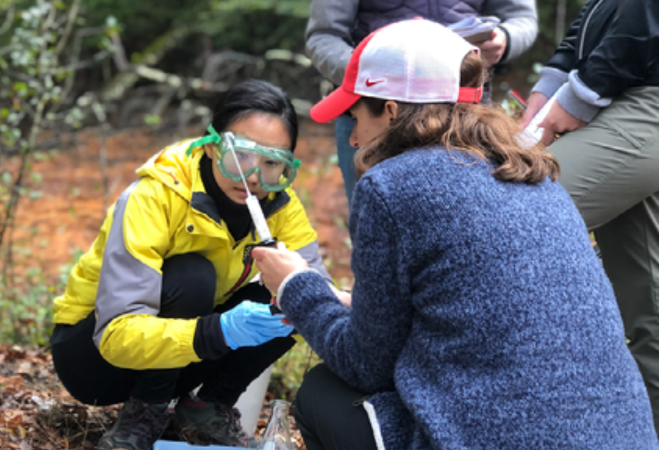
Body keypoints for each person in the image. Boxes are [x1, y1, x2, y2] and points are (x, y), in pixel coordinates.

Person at [253, 19, 659, 450]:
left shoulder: (392, 185)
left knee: (323, 394)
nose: (352, 138)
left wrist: (298, 286)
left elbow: (365, 364)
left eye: (355, 116)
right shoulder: (532, 172)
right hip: (623, 436)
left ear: (390, 110)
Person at [50, 79, 332, 450]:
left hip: (185, 351)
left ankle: (207, 405)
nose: (252, 176)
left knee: (297, 290)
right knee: (193, 274)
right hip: (95, 356)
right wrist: (221, 331)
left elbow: (319, 298)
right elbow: (116, 335)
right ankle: (145, 413)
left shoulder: (280, 204)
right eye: (241, 154)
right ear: (213, 146)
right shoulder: (156, 194)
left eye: (270, 163)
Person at [520, 0, 659, 435]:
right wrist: (554, 81)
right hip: (620, 91)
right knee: (648, 292)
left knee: (512, 215)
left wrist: (578, 95)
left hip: (641, 96)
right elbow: (600, 12)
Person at [306, 0, 538, 207]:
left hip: (464, 115)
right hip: (372, 111)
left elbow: (522, 19)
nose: (353, 141)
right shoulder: (364, 128)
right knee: (373, 218)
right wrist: (373, 70)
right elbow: (324, 36)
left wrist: (506, 38)